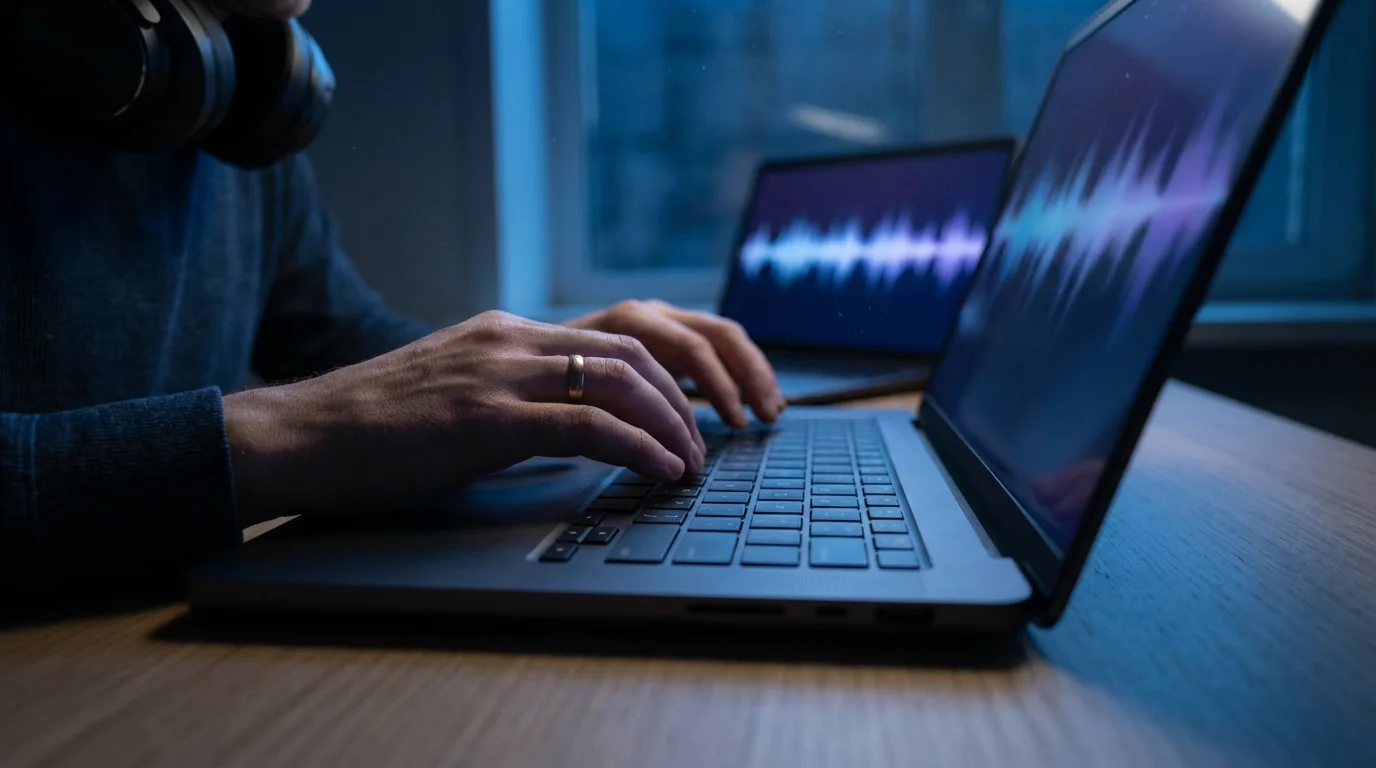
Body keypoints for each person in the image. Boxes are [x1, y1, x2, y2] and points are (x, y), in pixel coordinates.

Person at [0, 0, 784, 606]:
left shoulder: (240, 105)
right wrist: (283, 433)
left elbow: (349, 349)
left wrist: (550, 359)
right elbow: (335, 408)